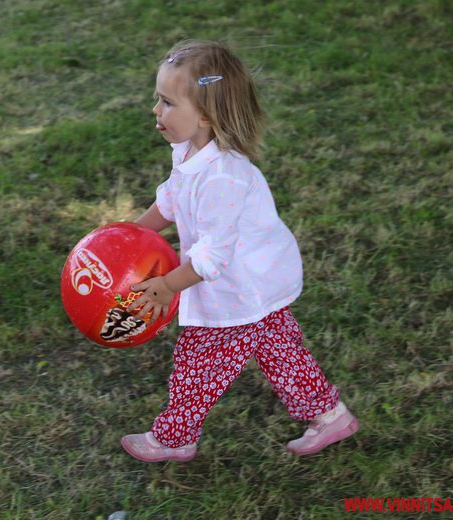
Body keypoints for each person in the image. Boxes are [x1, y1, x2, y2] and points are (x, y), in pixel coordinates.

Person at [121, 40, 358, 462]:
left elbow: (212, 257)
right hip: (256, 284)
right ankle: (329, 414)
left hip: (240, 285)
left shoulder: (223, 178)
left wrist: (167, 285)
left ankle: (176, 437)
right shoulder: (189, 153)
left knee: (200, 361)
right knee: (279, 348)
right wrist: (127, 236)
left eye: (167, 102)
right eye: (157, 99)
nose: (156, 110)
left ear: (206, 117)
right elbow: (170, 203)